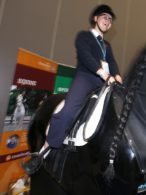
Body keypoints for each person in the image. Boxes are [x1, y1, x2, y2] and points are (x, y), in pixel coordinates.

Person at [23, 4, 122, 173]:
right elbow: (86, 56)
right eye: (105, 17)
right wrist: (104, 75)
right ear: (95, 18)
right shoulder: (84, 36)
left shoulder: (107, 45)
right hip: (86, 77)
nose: (108, 21)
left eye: (110, 19)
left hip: (105, 82)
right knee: (69, 109)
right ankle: (45, 149)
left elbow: (111, 63)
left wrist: (118, 77)